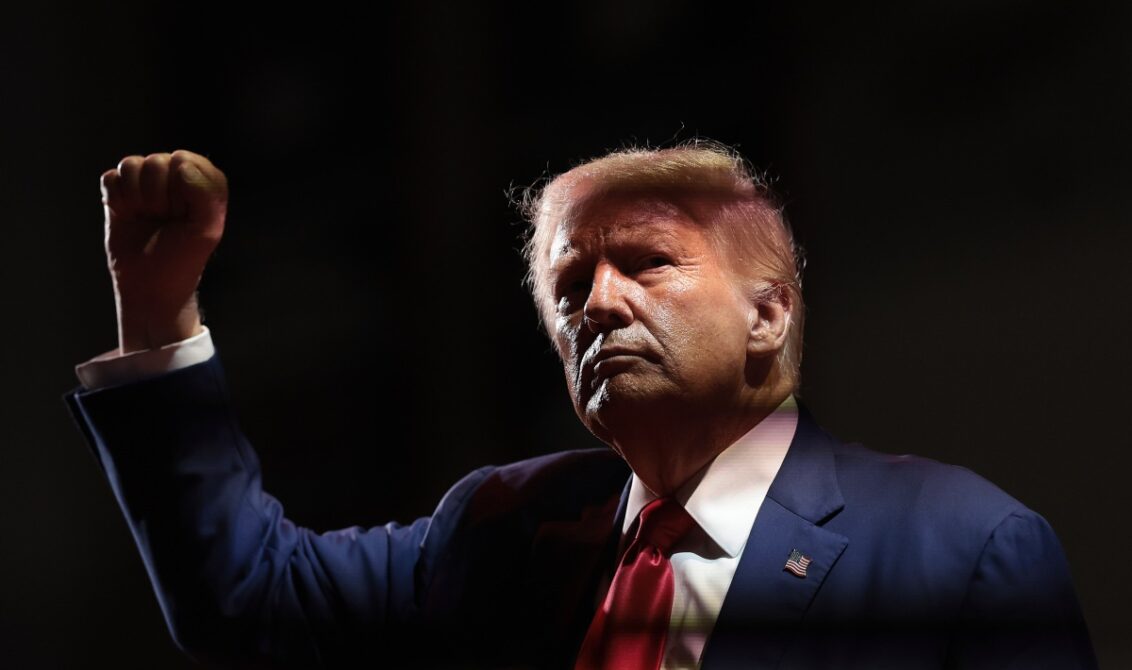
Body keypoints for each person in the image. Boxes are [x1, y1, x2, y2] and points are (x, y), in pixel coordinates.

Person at [66, 144, 1096, 669]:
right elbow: (247, 598)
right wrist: (157, 310)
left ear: (768, 313)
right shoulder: (500, 529)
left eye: (646, 263)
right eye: (568, 287)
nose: (598, 304)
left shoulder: (962, 547)